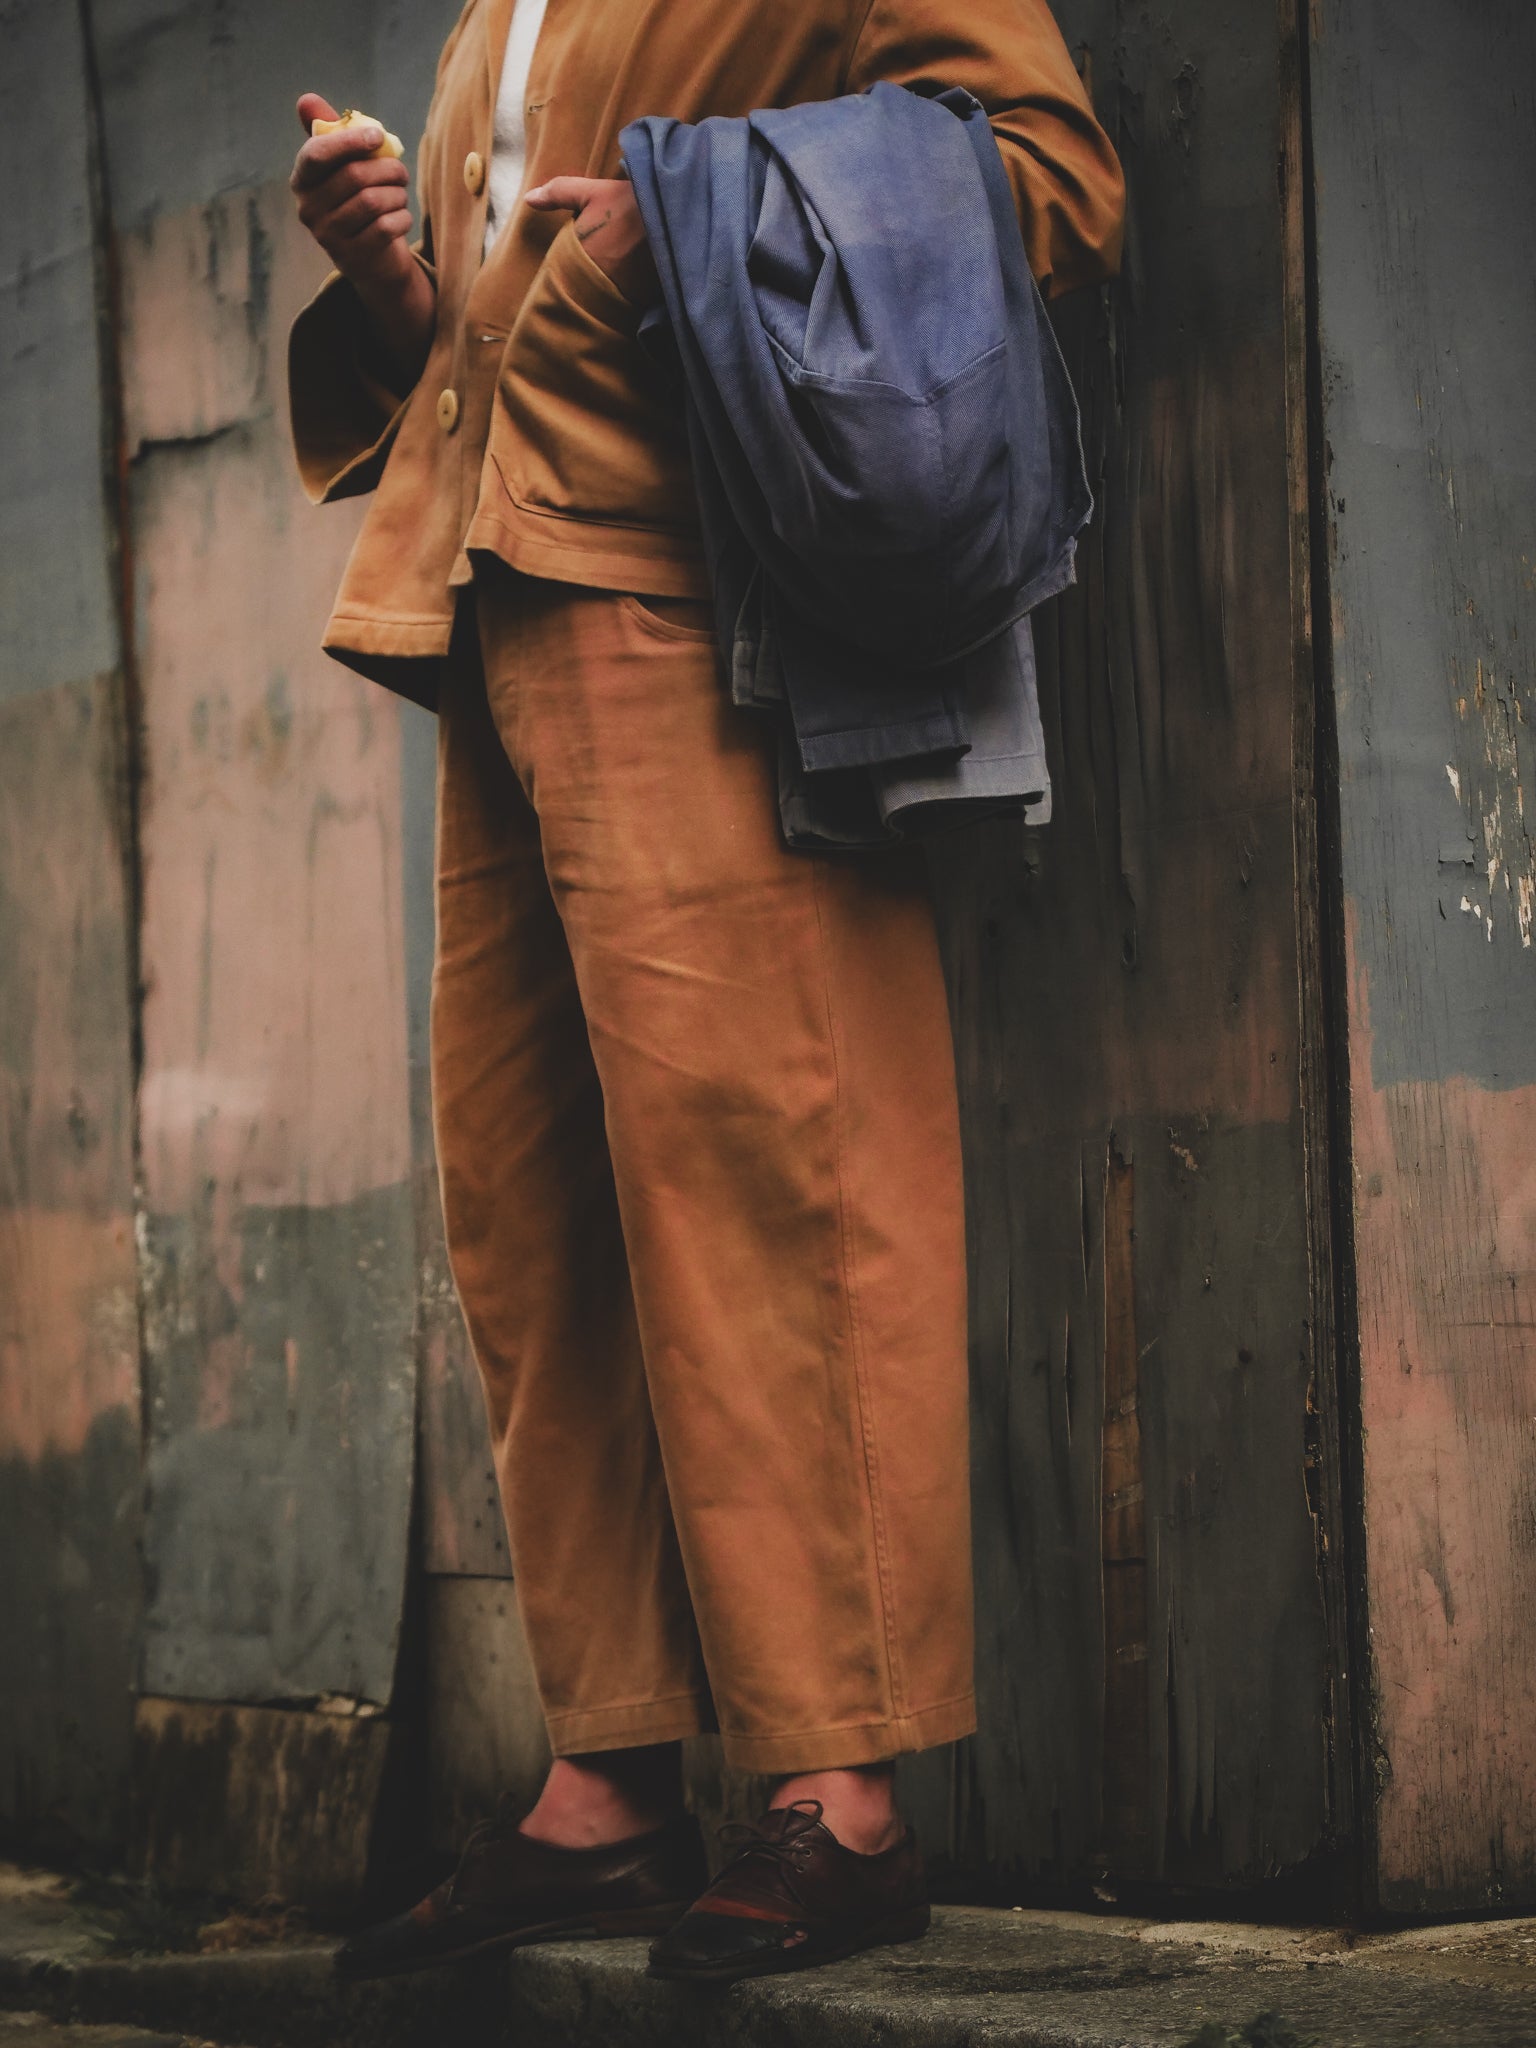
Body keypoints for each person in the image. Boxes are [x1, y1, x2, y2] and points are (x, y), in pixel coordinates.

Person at [287, 0, 1123, 1987]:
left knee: (780, 1168)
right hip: (490, 599)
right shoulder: (506, 12)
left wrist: (706, 210)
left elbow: (1052, 181)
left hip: (706, 601)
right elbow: (480, 355)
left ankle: (841, 1790)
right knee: (535, 1210)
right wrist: (391, 273)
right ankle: (610, 1779)